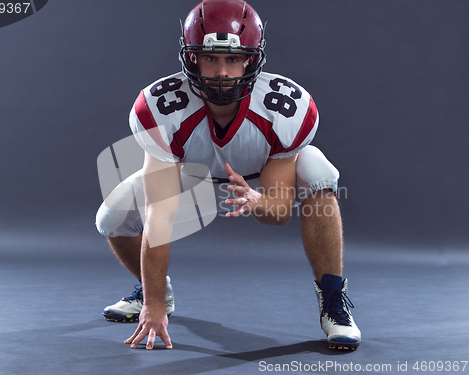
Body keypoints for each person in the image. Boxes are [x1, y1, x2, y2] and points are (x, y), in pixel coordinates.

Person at [96, 0, 361, 351]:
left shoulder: (284, 108)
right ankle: (152, 289)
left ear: (251, 59)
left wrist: (255, 200)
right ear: (192, 58)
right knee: (110, 217)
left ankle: (333, 301)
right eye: (211, 58)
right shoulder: (160, 107)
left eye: (233, 59)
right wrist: (154, 306)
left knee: (318, 169)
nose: (222, 72)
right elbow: (159, 215)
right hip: (187, 185)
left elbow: (279, 214)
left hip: (256, 184)